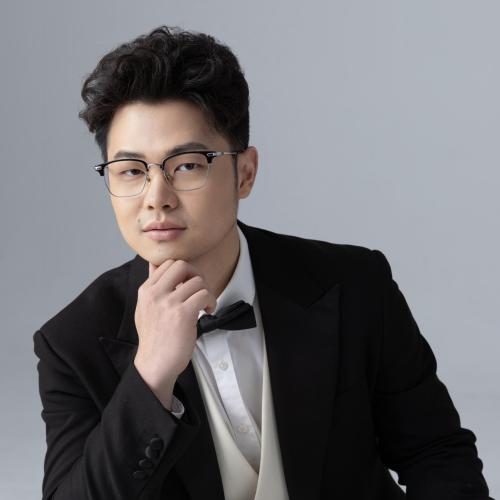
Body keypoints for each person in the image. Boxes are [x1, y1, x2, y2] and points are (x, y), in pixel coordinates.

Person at [33, 25, 493, 500]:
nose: (156, 198)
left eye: (187, 164)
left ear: (245, 173)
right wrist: (150, 376)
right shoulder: (71, 343)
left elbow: (437, 453)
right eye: (130, 171)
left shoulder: (356, 285)